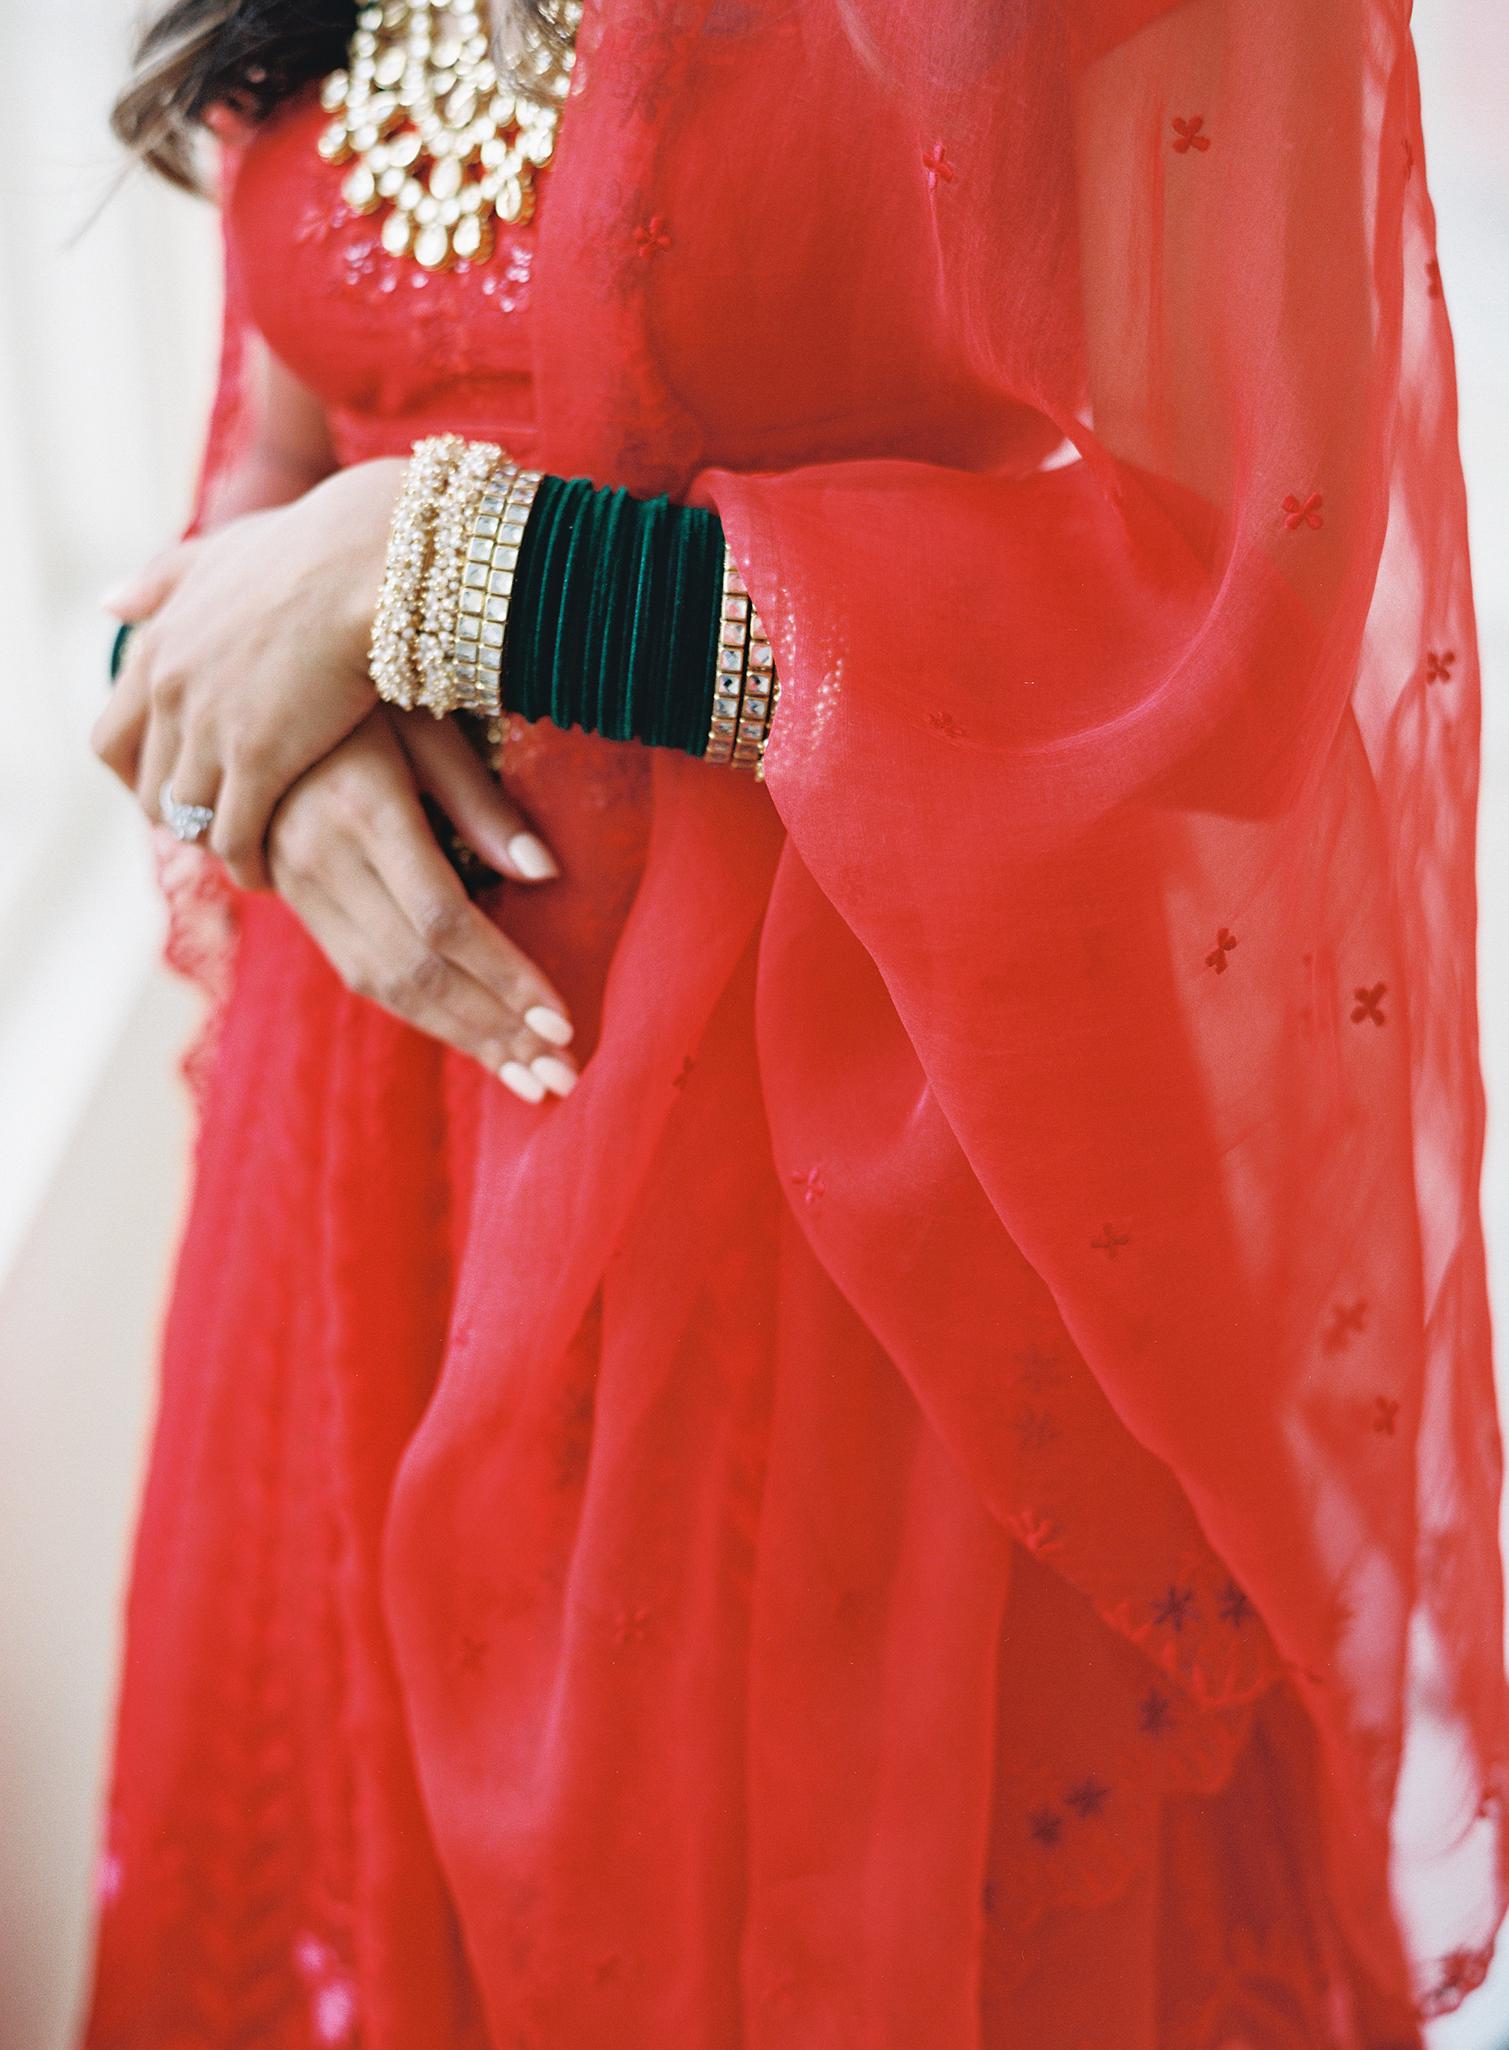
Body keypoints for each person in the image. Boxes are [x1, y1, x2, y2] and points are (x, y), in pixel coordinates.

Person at [78, 0, 1508, 2043]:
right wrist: (264, 745)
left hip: (842, 1214)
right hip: (367, 1188)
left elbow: (1221, 620)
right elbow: (245, 498)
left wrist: (444, 564)